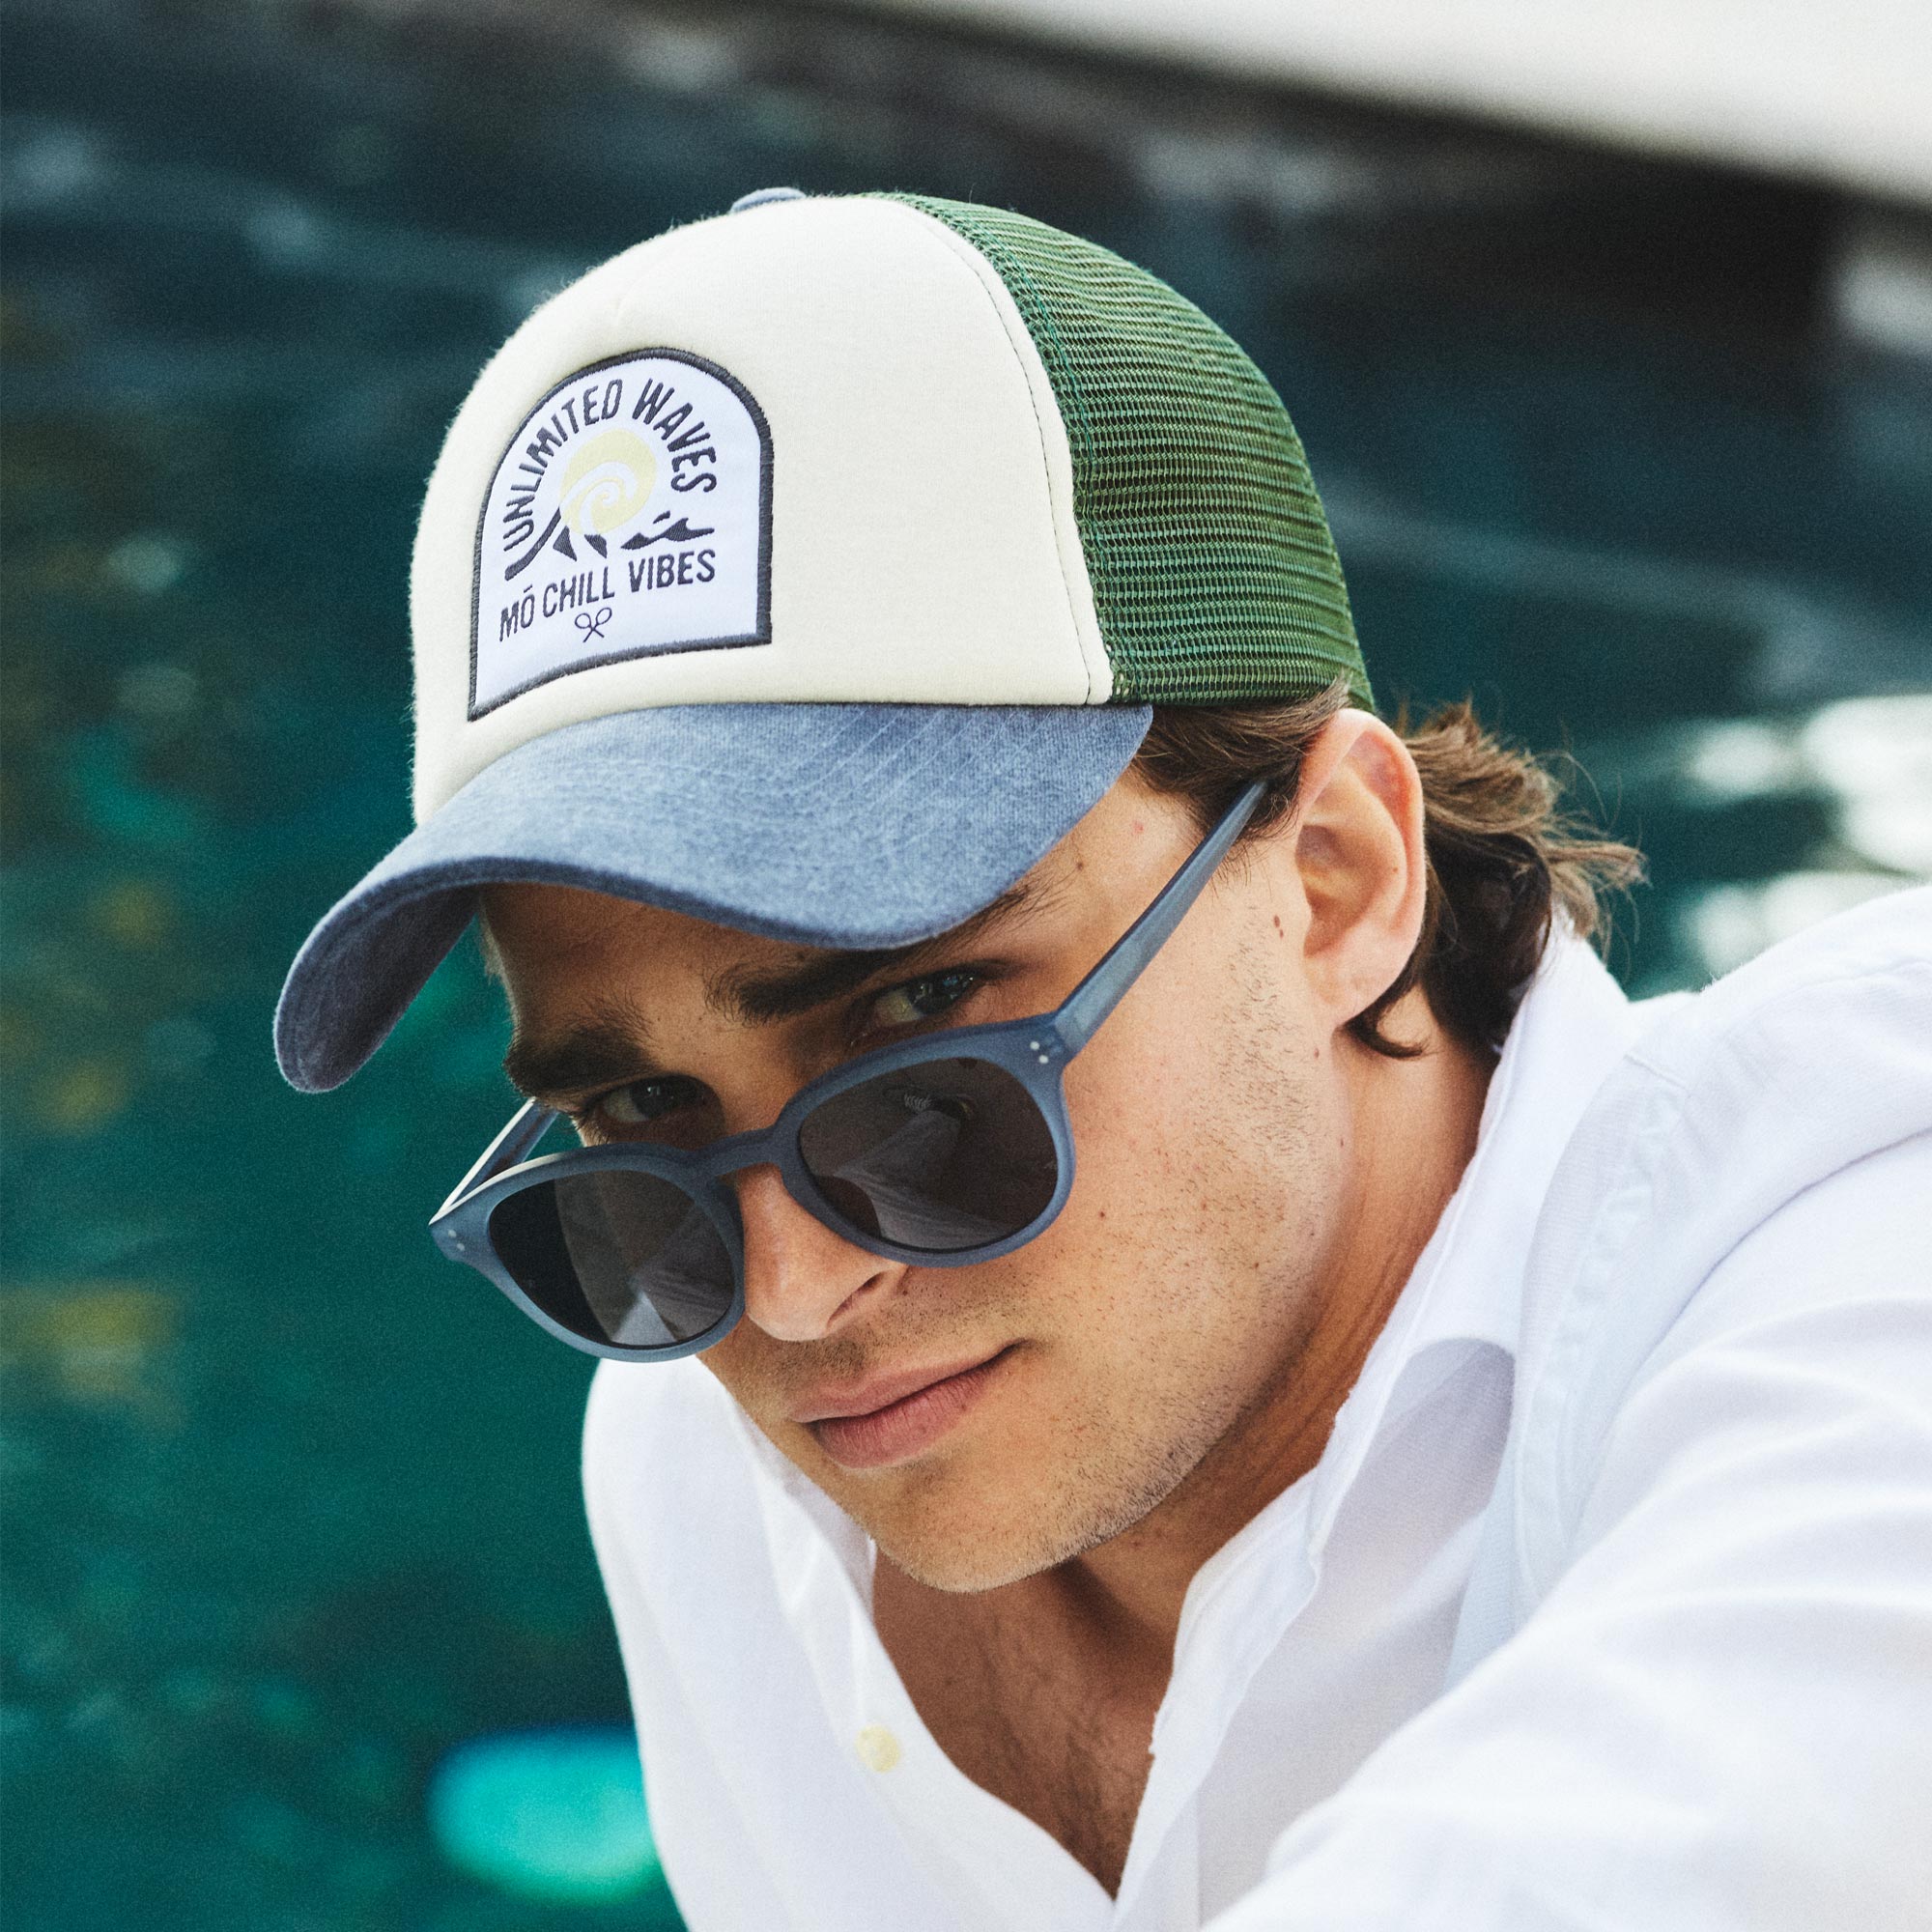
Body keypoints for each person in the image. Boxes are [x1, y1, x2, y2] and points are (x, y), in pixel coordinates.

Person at [275, 190, 1932, 1930]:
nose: (789, 1295)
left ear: (1335, 878)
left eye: (920, 1044)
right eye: (635, 1124)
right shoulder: (702, 1475)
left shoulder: (1851, 1227)